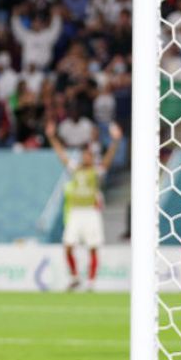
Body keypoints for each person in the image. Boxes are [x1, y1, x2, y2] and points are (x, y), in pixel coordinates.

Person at [47, 122, 122, 291]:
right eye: (84, 155)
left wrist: (115, 142)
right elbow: (62, 155)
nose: (85, 157)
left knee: (93, 247)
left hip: (90, 212)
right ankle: (74, 277)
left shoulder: (96, 171)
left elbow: (108, 160)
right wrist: (52, 137)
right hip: (75, 213)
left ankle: (91, 281)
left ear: (92, 157)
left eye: (88, 155)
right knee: (67, 246)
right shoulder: (76, 169)